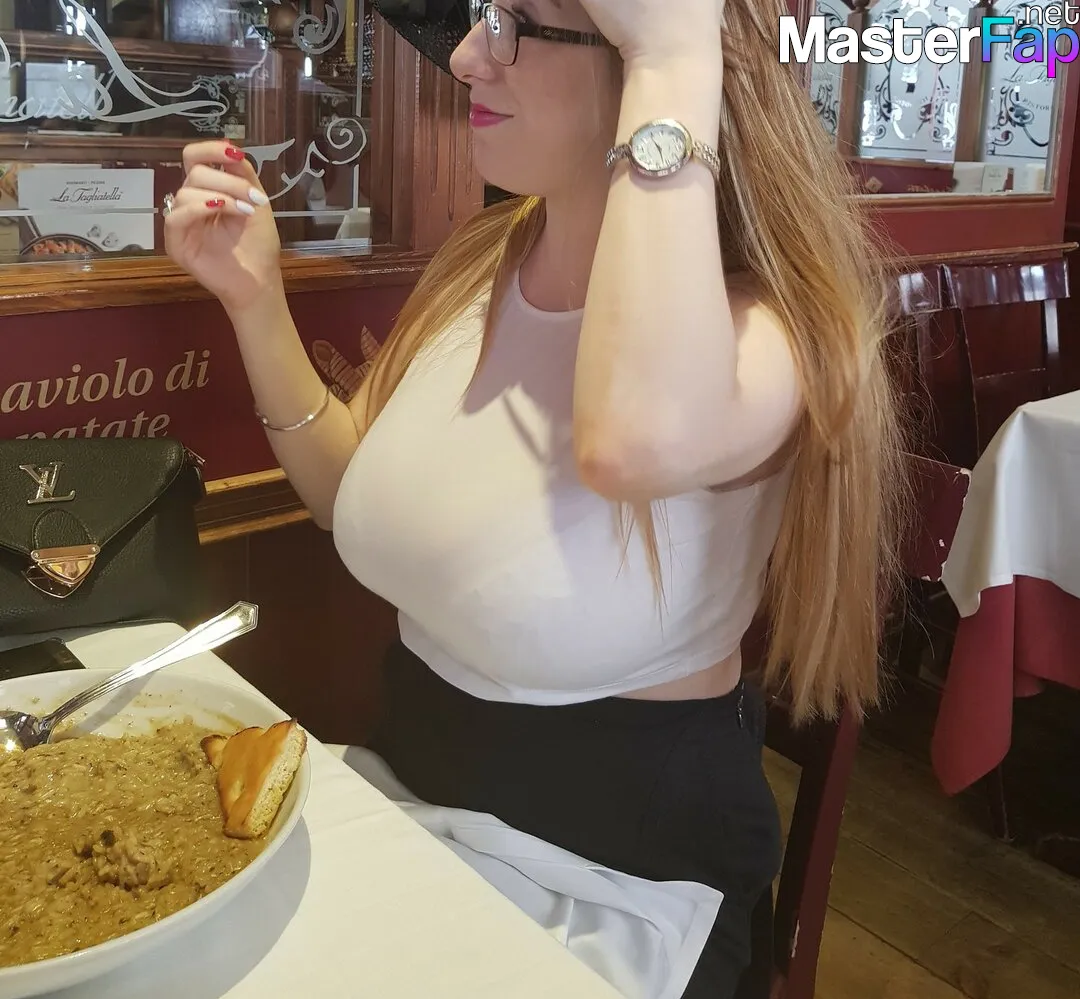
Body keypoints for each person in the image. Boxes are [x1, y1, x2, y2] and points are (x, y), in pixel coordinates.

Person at [163, 1, 908, 996]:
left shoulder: (774, 333)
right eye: (481, 15)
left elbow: (635, 439)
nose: (469, 58)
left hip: (619, 886)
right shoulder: (484, 257)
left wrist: (677, 50)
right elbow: (350, 496)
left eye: (517, 23)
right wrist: (256, 301)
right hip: (409, 800)